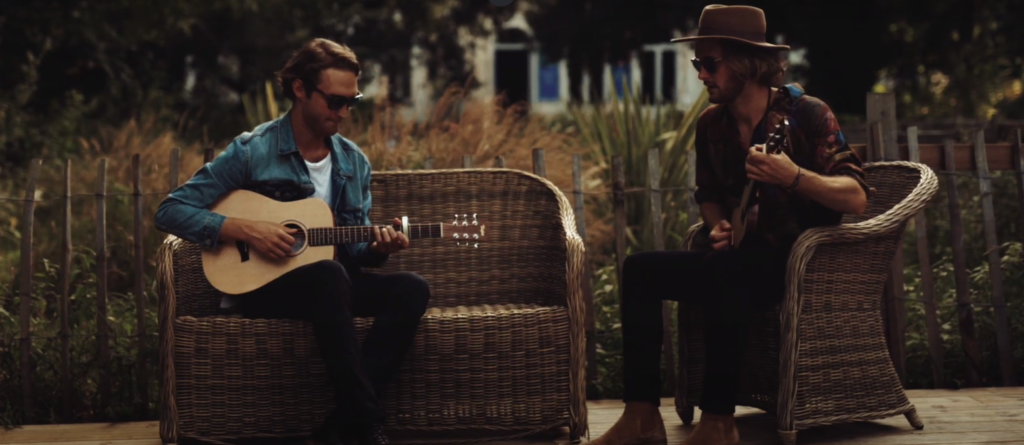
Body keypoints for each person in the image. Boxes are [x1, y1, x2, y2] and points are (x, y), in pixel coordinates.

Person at [589, 5, 874, 445]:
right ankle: (642, 416)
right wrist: (720, 225)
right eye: (697, 64)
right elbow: (707, 195)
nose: (701, 75)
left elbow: (856, 196)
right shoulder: (711, 125)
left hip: (799, 262)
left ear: (745, 63)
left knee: (728, 273)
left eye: (710, 63)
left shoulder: (808, 114)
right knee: (639, 270)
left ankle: (719, 422)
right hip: (738, 258)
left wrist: (793, 176)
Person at [154, 38, 430, 445]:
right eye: (335, 101)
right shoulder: (253, 151)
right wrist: (246, 229)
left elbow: (355, 250)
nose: (344, 112)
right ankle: (367, 422)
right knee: (330, 275)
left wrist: (377, 248)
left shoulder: (353, 162)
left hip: (330, 286)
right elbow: (171, 211)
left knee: (411, 289)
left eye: (351, 102)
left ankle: (342, 426)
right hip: (265, 286)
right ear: (300, 89)